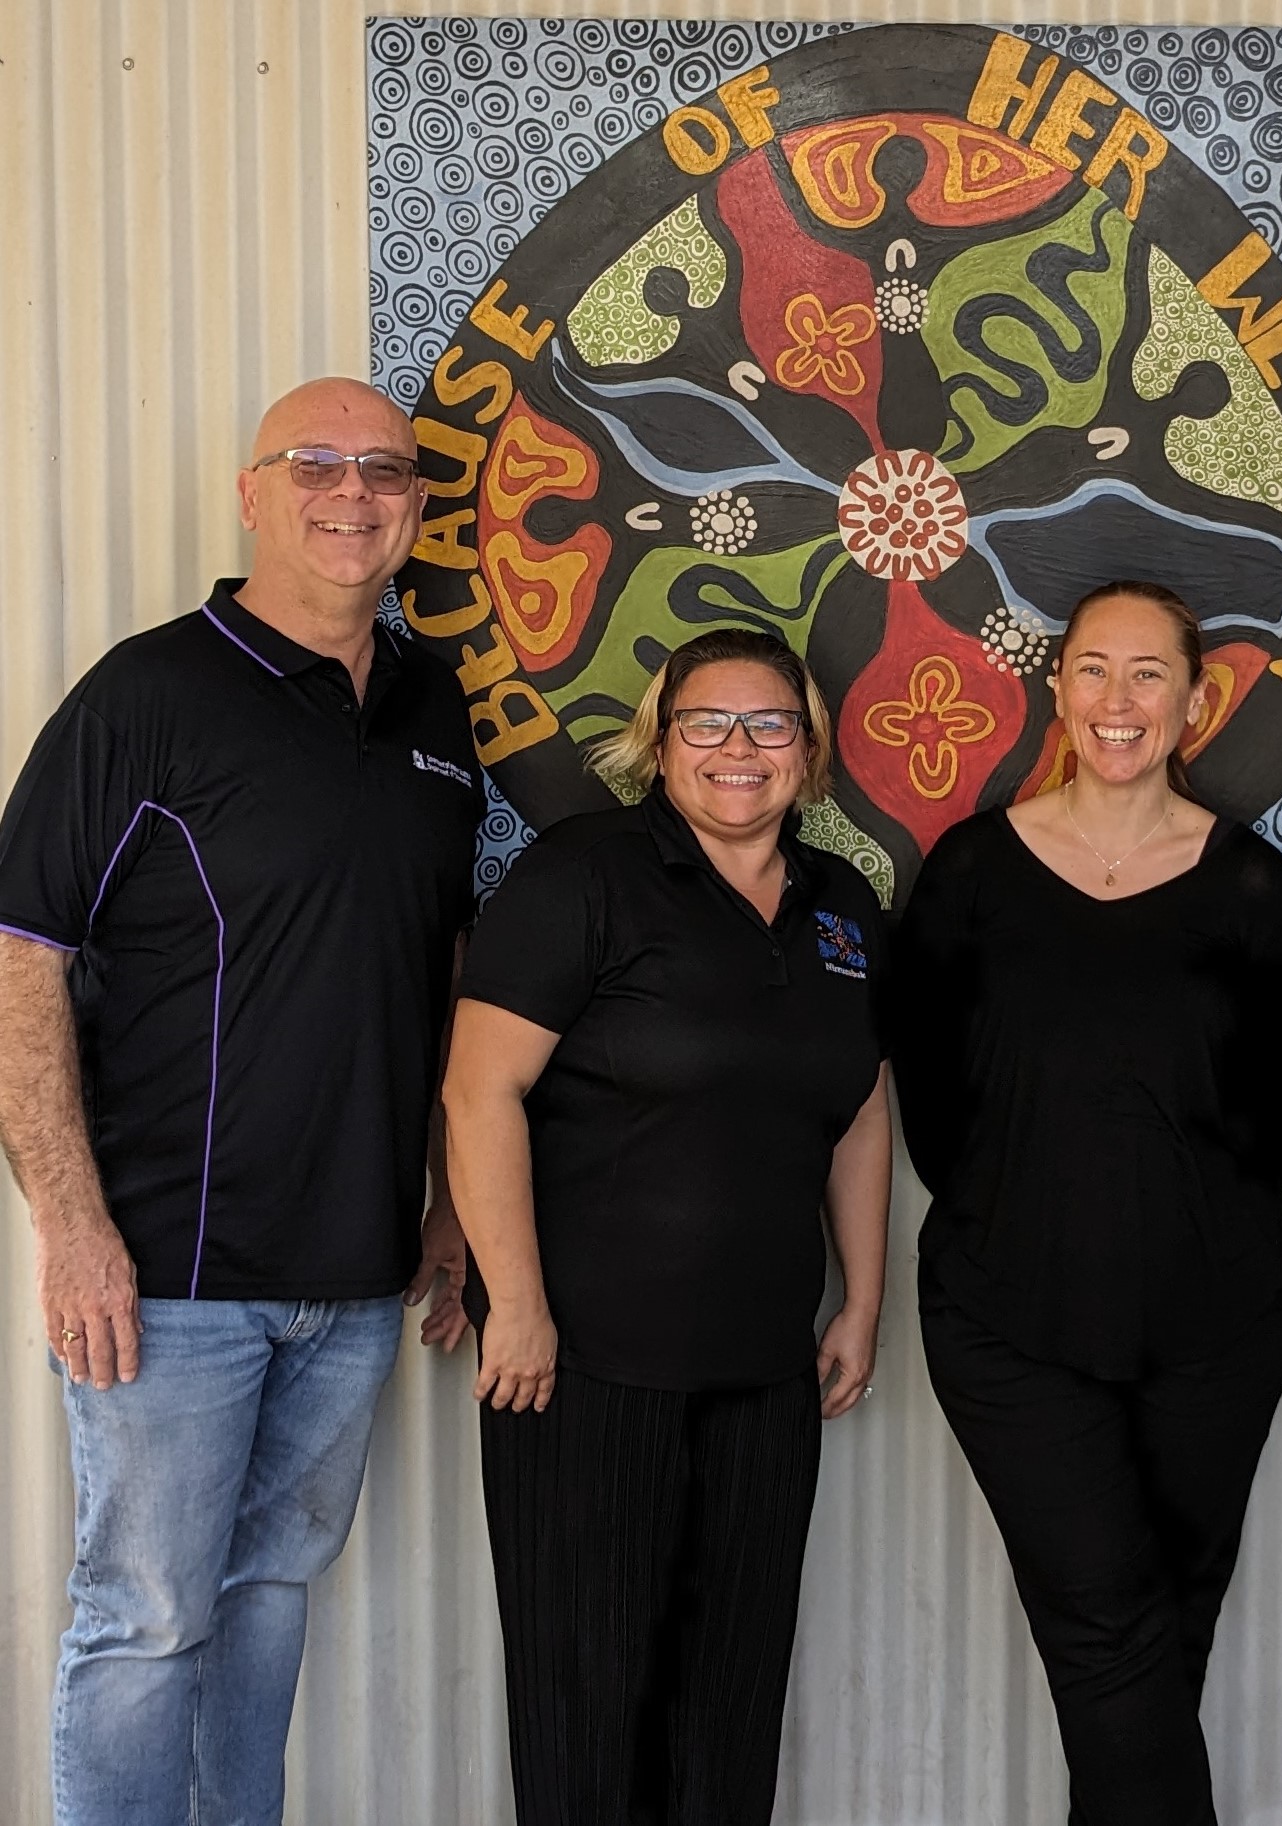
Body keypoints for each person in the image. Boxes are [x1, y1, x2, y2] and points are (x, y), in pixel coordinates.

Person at [0, 379, 481, 1826]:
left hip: (353, 1274)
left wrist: (448, 1208)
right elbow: (22, 958)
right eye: (317, 465)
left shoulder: (433, 705)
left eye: (385, 471)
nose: (354, 494)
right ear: (252, 491)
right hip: (170, 1275)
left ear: (414, 505)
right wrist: (70, 1222)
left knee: (267, 1601)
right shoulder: (149, 694)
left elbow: (440, 968)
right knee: (146, 1620)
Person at [890, 581, 1282, 1826]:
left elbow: (1273, 1112)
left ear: (1197, 701)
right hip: (1009, 1316)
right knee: (1107, 1624)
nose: (1118, 701)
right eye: (1093, 669)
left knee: (1161, 1635)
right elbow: (930, 1093)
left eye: (1149, 675)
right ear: (1057, 686)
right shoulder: (974, 868)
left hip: (1218, 1325)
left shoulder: (1249, 883)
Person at [442, 626, 890, 1826]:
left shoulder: (842, 907)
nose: (738, 749)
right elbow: (479, 1089)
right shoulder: (583, 874)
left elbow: (857, 1107)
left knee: (730, 1707)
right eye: (708, 723)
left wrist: (862, 1295)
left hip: (761, 1371)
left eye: (769, 724)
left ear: (809, 748)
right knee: (589, 1711)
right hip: (581, 1370)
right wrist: (518, 1307)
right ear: (660, 739)